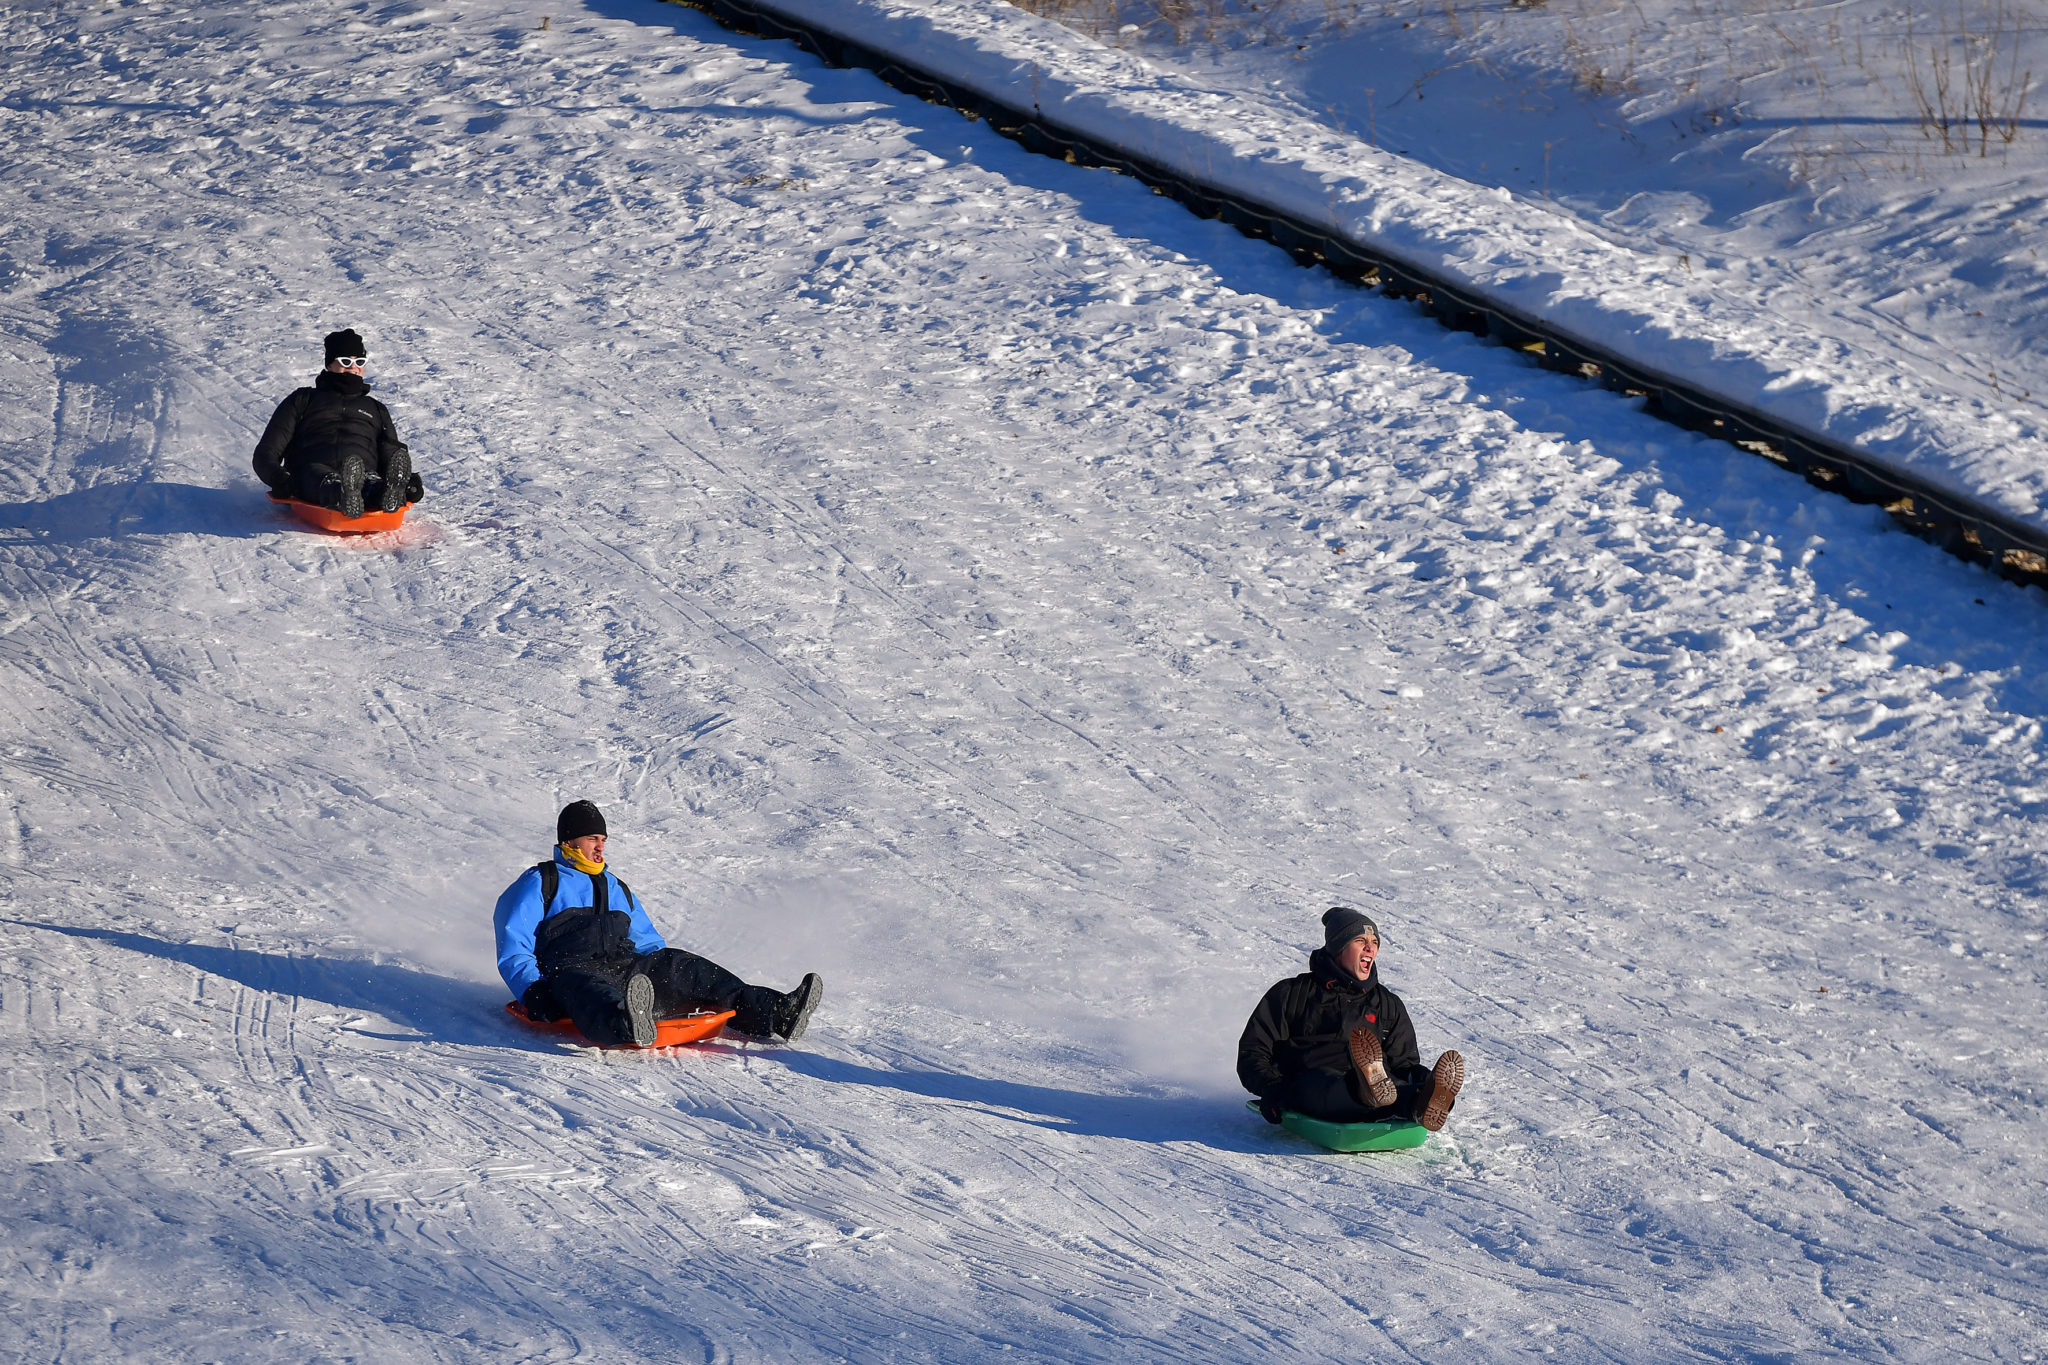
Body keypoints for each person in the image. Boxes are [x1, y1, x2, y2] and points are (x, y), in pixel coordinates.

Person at [494, 800, 824, 1048]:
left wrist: (669, 977)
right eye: (592, 838)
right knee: (587, 989)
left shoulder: (615, 886)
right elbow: (514, 947)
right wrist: (532, 991)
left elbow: (648, 943)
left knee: (683, 965)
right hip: (571, 972)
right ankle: (626, 1022)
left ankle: (777, 1013)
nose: (600, 847)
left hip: (625, 969)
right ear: (569, 842)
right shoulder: (542, 882)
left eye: (603, 839)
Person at [1237, 906, 1464, 1132]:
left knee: (1396, 1089)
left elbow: (1403, 1063)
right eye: (1360, 940)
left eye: (1374, 942)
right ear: (1339, 947)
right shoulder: (1294, 994)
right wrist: (1271, 1087)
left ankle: (1423, 1102)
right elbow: (1254, 1050)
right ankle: (1370, 1093)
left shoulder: (1386, 1003)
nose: (1370, 947)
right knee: (1326, 1086)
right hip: (1313, 1083)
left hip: (1380, 1086)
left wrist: (1422, 1078)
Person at [252, 328, 420, 519]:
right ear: (329, 364)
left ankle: (384, 494)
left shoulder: (375, 408)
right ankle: (343, 494)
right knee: (323, 479)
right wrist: (279, 479)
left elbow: (391, 453)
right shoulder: (303, 400)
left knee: (370, 479)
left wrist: (410, 483)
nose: (353, 367)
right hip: (313, 471)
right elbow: (267, 451)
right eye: (346, 361)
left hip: (363, 470)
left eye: (360, 362)